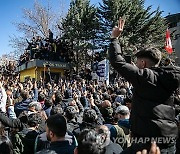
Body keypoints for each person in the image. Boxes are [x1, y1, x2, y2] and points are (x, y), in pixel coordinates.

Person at [108, 17, 180, 153]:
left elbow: (117, 61)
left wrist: (114, 38)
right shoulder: (171, 78)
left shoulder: (144, 77)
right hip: (169, 143)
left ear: (143, 64)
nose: (135, 66)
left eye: (137, 62)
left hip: (146, 144)